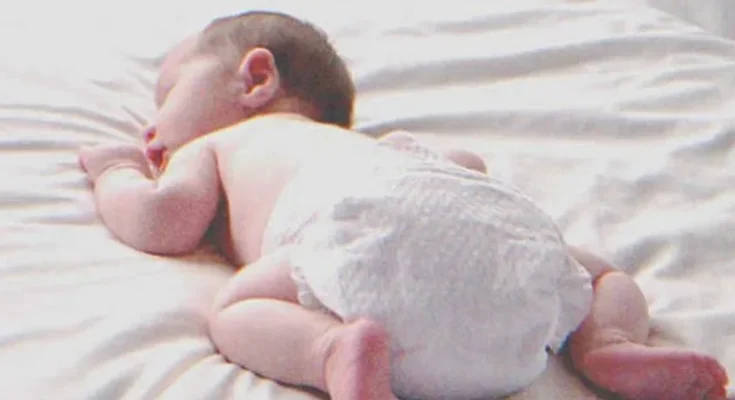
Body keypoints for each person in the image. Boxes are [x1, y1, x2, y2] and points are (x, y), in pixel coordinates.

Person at [78, 10, 729, 400]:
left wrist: (114, 172)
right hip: (501, 255)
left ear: (254, 78)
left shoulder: (225, 143)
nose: (150, 127)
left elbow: (165, 222)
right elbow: (463, 168)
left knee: (234, 311)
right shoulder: (380, 146)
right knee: (596, 272)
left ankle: (331, 350)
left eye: (166, 95)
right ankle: (605, 341)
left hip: (357, 241)